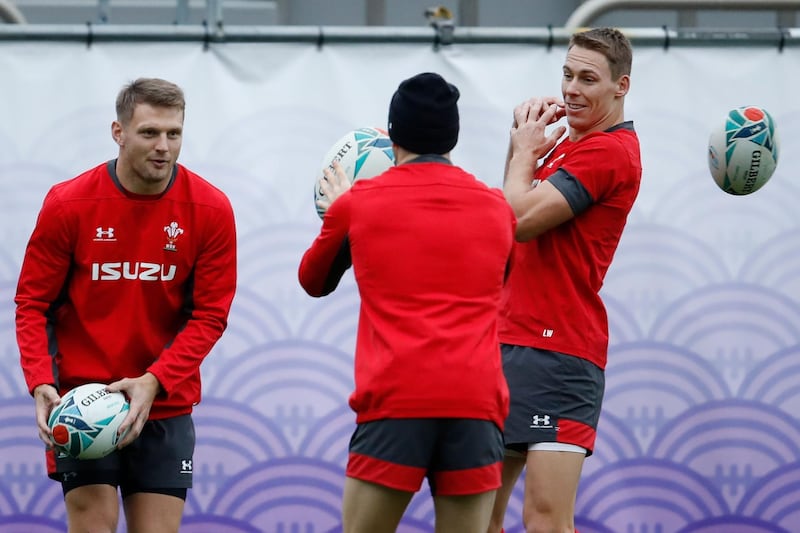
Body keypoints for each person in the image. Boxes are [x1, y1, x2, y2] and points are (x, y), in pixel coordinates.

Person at [15, 77, 237, 533]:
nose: (164, 146)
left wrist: (156, 380)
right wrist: (40, 381)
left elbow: (210, 316)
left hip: (163, 404)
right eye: (150, 133)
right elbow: (32, 303)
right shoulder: (68, 204)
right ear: (118, 132)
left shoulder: (211, 209)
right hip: (84, 403)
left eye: (174, 134)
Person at [298, 72, 516, 533]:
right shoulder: (498, 209)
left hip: (398, 401)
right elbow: (503, 278)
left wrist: (337, 213)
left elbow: (313, 282)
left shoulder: (357, 204)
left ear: (392, 133)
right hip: (475, 404)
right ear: (453, 136)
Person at [488, 28, 642, 533]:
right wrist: (521, 147)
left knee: (545, 519)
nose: (572, 88)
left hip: (558, 357)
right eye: (568, 74)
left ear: (621, 86)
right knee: (478, 516)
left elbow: (521, 218)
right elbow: (502, 218)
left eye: (588, 79)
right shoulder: (566, 146)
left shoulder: (610, 152)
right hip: (506, 343)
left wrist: (525, 153)